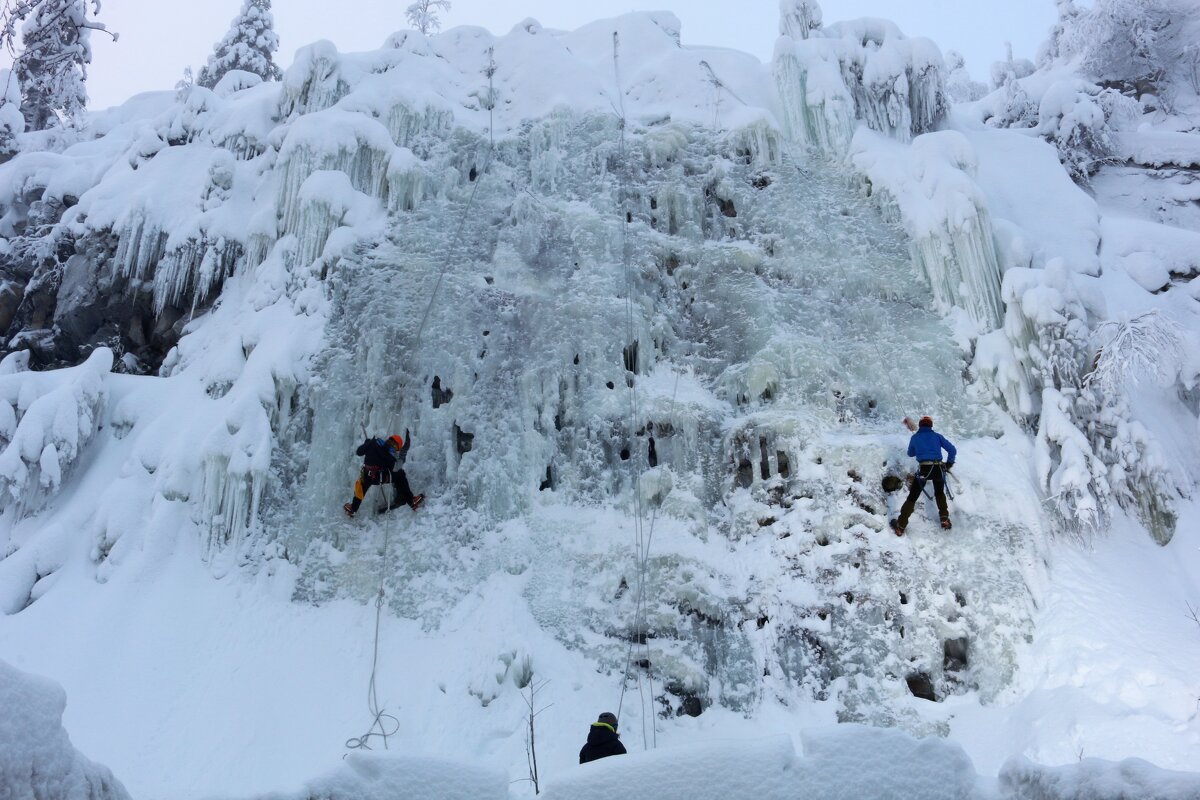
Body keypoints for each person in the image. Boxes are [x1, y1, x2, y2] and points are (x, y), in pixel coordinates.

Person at [891, 416, 956, 535]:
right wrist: (949, 464)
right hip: (937, 468)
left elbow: (910, 453)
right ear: (931, 426)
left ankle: (900, 526)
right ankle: (944, 519)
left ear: (920, 426)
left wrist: (919, 445)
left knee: (913, 496)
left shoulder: (915, 437)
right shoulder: (937, 436)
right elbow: (952, 450)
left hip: (924, 470)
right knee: (939, 492)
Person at [343, 431, 423, 518]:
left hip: (366, 474)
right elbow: (394, 468)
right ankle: (411, 501)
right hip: (378, 477)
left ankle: (353, 509)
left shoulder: (373, 443)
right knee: (400, 475)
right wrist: (403, 453)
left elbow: (359, 452)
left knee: (361, 487)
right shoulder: (390, 456)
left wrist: (368, 443)